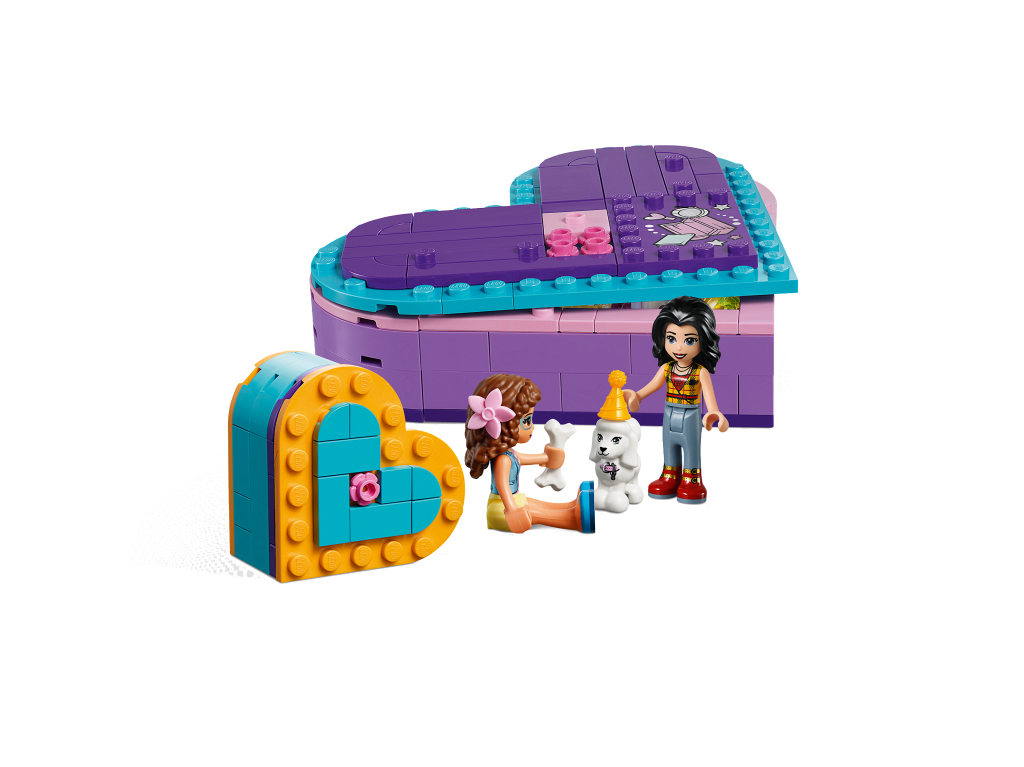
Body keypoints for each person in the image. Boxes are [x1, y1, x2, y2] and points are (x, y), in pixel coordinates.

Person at [622, 296, 729, 504]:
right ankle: (670, 476)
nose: (679, 348)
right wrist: (637, 396)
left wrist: (714, 412)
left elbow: (709, 396)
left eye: (689, 340)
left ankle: (692, 480)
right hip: (669, 412)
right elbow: (652, 386)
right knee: (669, 445)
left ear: (703, 340)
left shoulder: (700, 372)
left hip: (690, 415)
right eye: (671, 339)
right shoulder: (667, 368)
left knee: (691, 447)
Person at [464, 374, 594, 534]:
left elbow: (521, 459)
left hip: (511, 501)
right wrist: (512, 509)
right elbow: (502, 485)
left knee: (534, 503)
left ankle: (572, 505)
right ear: (505, 425)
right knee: (533, 512)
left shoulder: (508, 453)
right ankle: (574, 519)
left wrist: (546, 458)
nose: (532, 427)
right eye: (527, 421)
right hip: (500, 509)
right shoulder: (503, 459)